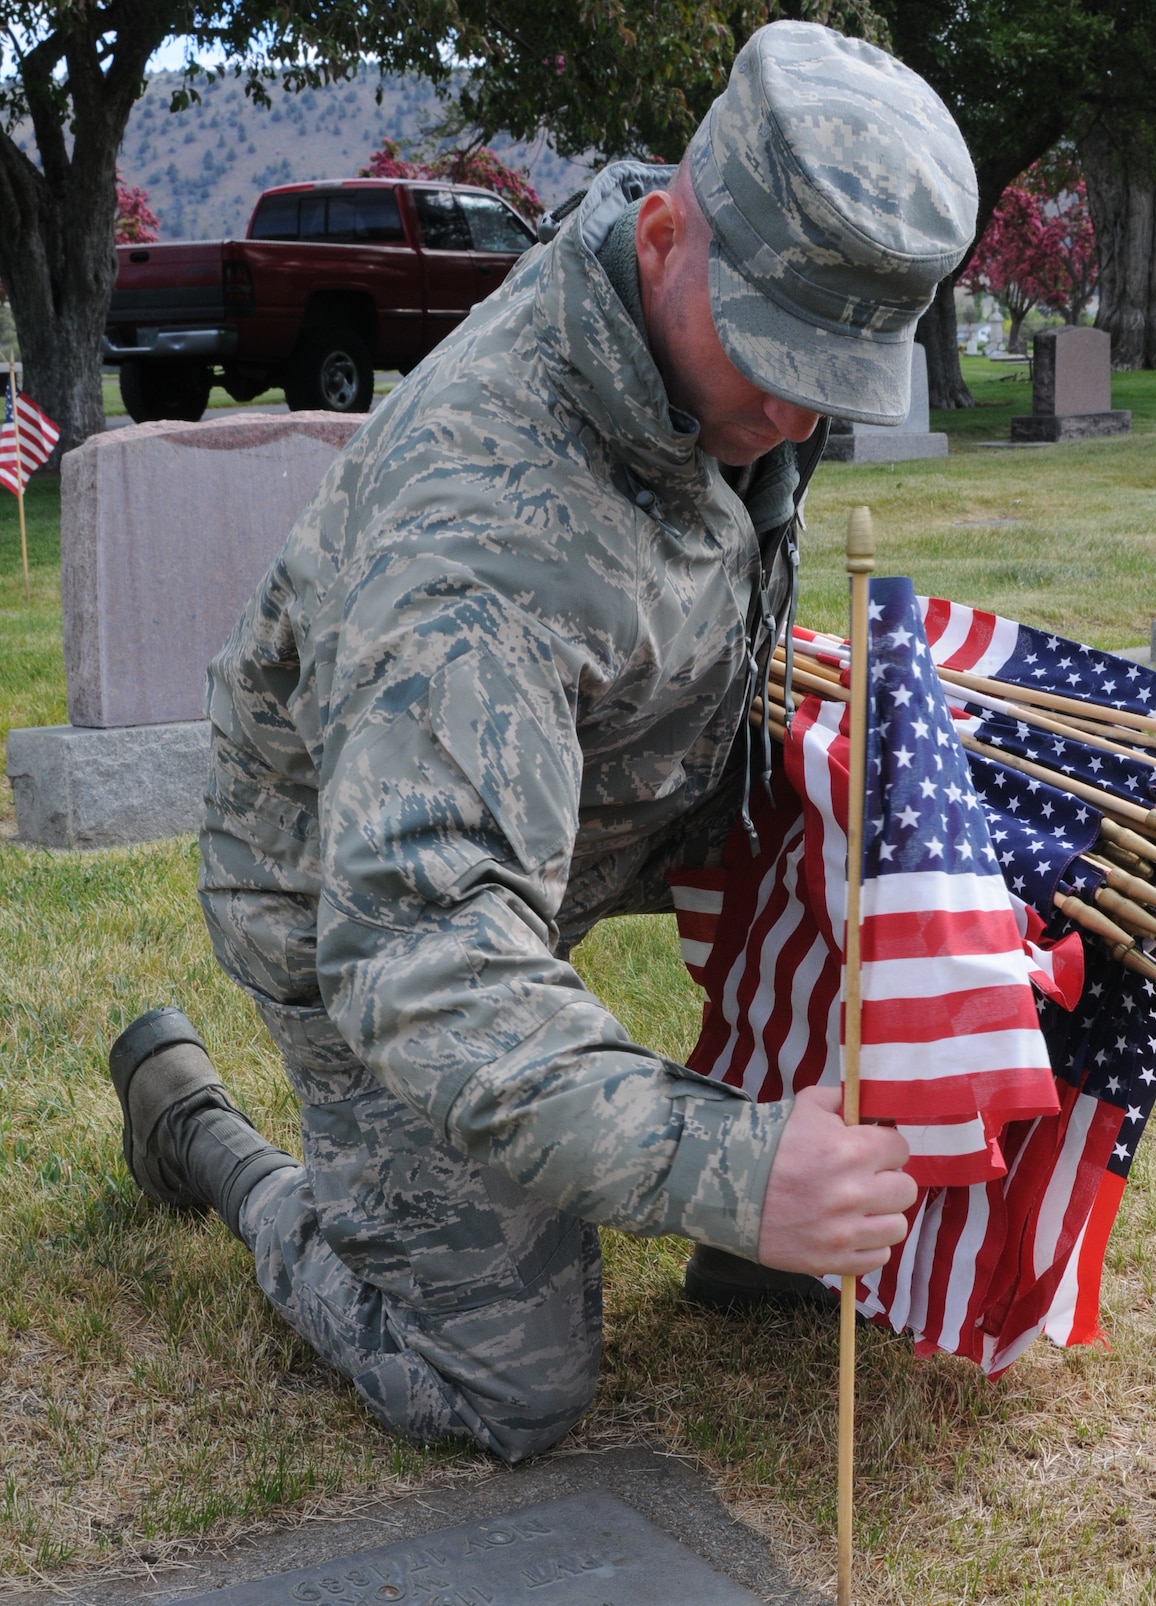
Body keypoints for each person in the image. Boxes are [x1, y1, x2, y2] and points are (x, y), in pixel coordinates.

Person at [108, 22, 978, 1463]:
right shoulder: (479, 530)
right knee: (504, 1384)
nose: (792, 414)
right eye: (772, 356)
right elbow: (423, 956)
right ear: (661, 234)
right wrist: (731, 1164)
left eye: (836, 372)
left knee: (967, 857)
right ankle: (211, 1141)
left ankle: (795, 1212)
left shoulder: (734, 362)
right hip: (358, 912)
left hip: (606, 795)